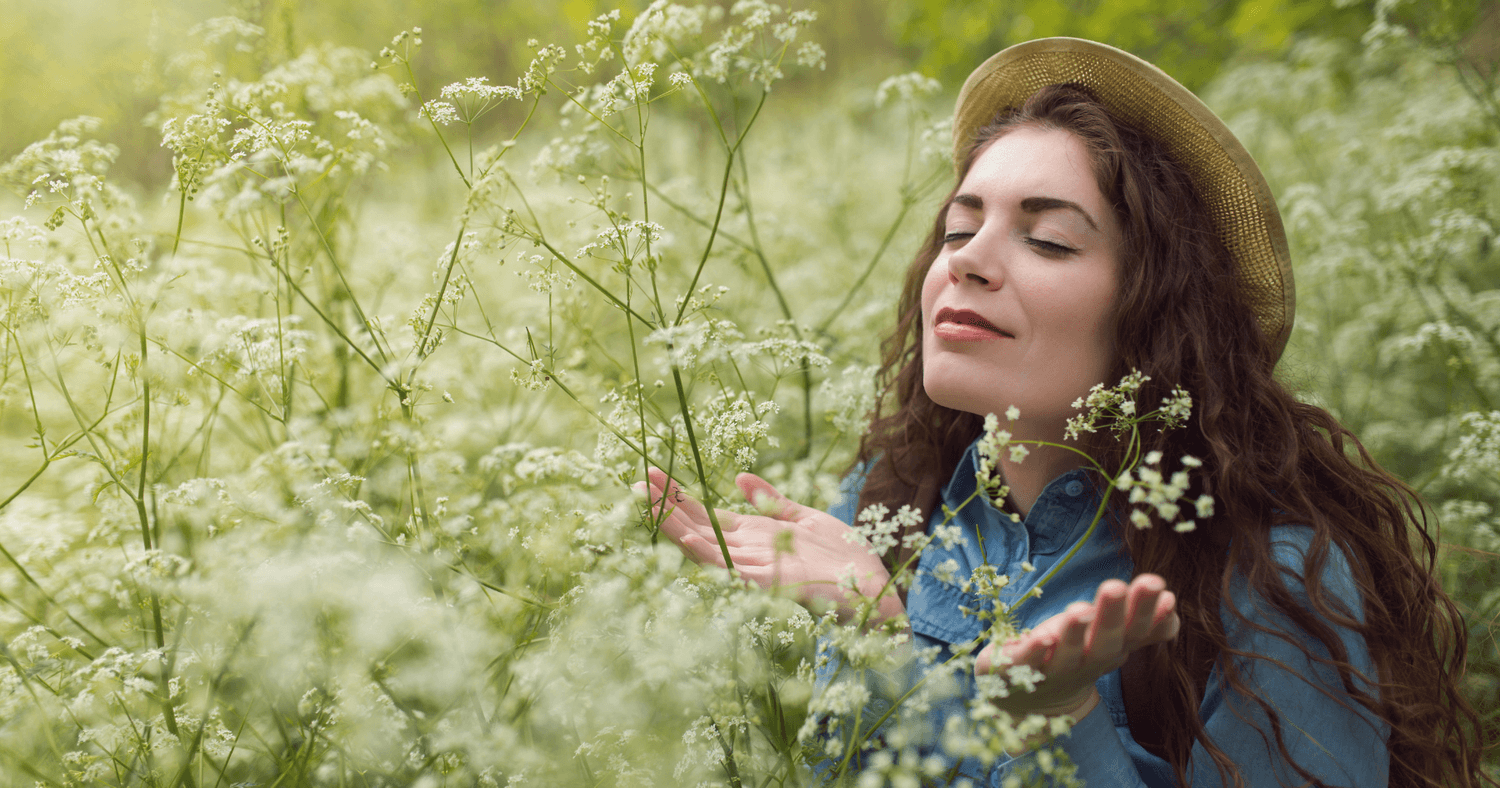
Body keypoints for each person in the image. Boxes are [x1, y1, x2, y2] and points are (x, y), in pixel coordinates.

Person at [642, 38, 1488, 787]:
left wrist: (1058, 723)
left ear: (1157, 309)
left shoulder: (1267, 576)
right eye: (957, 228)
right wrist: (873, 639)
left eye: (1046, 240)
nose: (969, 261)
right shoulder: (889, 502)